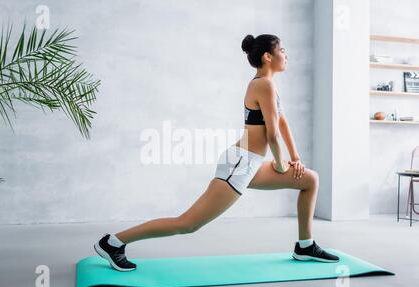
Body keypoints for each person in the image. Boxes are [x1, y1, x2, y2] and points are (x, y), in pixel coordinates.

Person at [94, 34, 339, 271]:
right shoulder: (263, 85)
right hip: (240, 165)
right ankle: (113, 242)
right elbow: (272, 135)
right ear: (267, 56)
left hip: (249, 163)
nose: (286, 54)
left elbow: (282, 123)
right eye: (282, 50)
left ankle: (305, 246)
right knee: (188, 224)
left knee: (310, 180)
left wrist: (294, 159)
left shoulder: (269, 86)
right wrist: (280, 164)